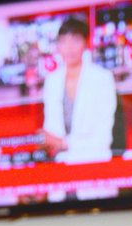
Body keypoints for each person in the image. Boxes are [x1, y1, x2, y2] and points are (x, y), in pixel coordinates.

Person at [41, 16, 117, 163]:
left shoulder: (102, 78)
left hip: (93, 162)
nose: (69, 47)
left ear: (86, 43)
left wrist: (64, 143)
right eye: (63, 41)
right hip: (61, 165)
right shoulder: (52, 81)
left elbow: (103, 138)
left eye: (75, 40)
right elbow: (50, 130)